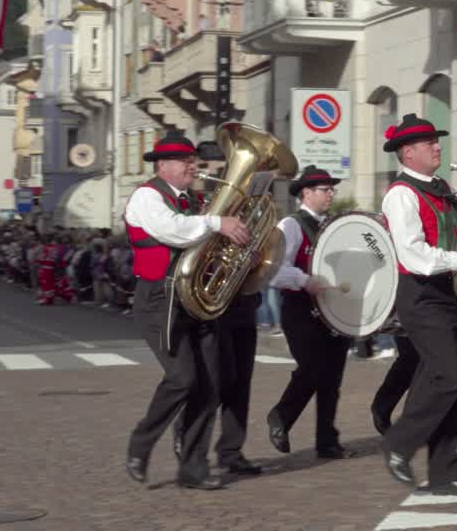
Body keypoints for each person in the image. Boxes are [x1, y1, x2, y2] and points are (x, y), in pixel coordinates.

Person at [125, 131, 251, 491]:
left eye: (193, 160)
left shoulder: (197, 200)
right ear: (162, 166)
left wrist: (241, 243)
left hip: (196, 299)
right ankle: (142, 440)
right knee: (183, 378)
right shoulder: (147, 197)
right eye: (184, 161)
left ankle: (193, 468)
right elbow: (173, 232)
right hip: (159, 300)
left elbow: (210, 243)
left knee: (210, 386)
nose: (192, 166)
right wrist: (217, 223)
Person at [380, 114, 457, 496]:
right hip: (422, 298)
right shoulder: (400, 194)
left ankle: (446, 472)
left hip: (453, 296)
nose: (437, 146)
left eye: (436, 140)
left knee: (452, 386)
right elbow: (413, 255)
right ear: (408, 153)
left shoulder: (443, 187)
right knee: (449, 376)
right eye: (429, 143)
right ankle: (398, 443)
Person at [265, 166, 355, 461]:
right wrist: (305, 281)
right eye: (324, 189)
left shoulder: (333, 225)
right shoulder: (290, 225)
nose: (331, 194)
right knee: (313, 369)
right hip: (301, 309)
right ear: (306, 192)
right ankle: (281, 415)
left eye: (332, 189)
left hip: (332, 310)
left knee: (332, 379)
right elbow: (275, 270)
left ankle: (327, 441)